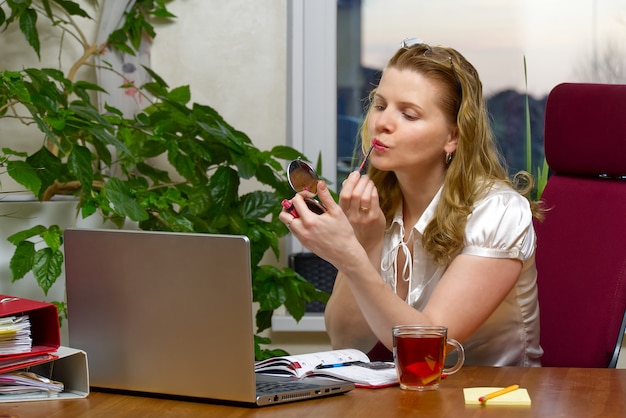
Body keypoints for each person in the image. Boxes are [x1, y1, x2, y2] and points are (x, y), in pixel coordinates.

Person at [280, 38, 543, 366]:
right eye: (380, 105)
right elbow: (347, 340)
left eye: (408, 113)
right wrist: (364, 244)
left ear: (453, 137)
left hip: (493, 402)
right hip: (414, 400)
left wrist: (349, 255)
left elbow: (429, 348)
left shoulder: (499, 213)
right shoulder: (376, 209)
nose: (382, 123)